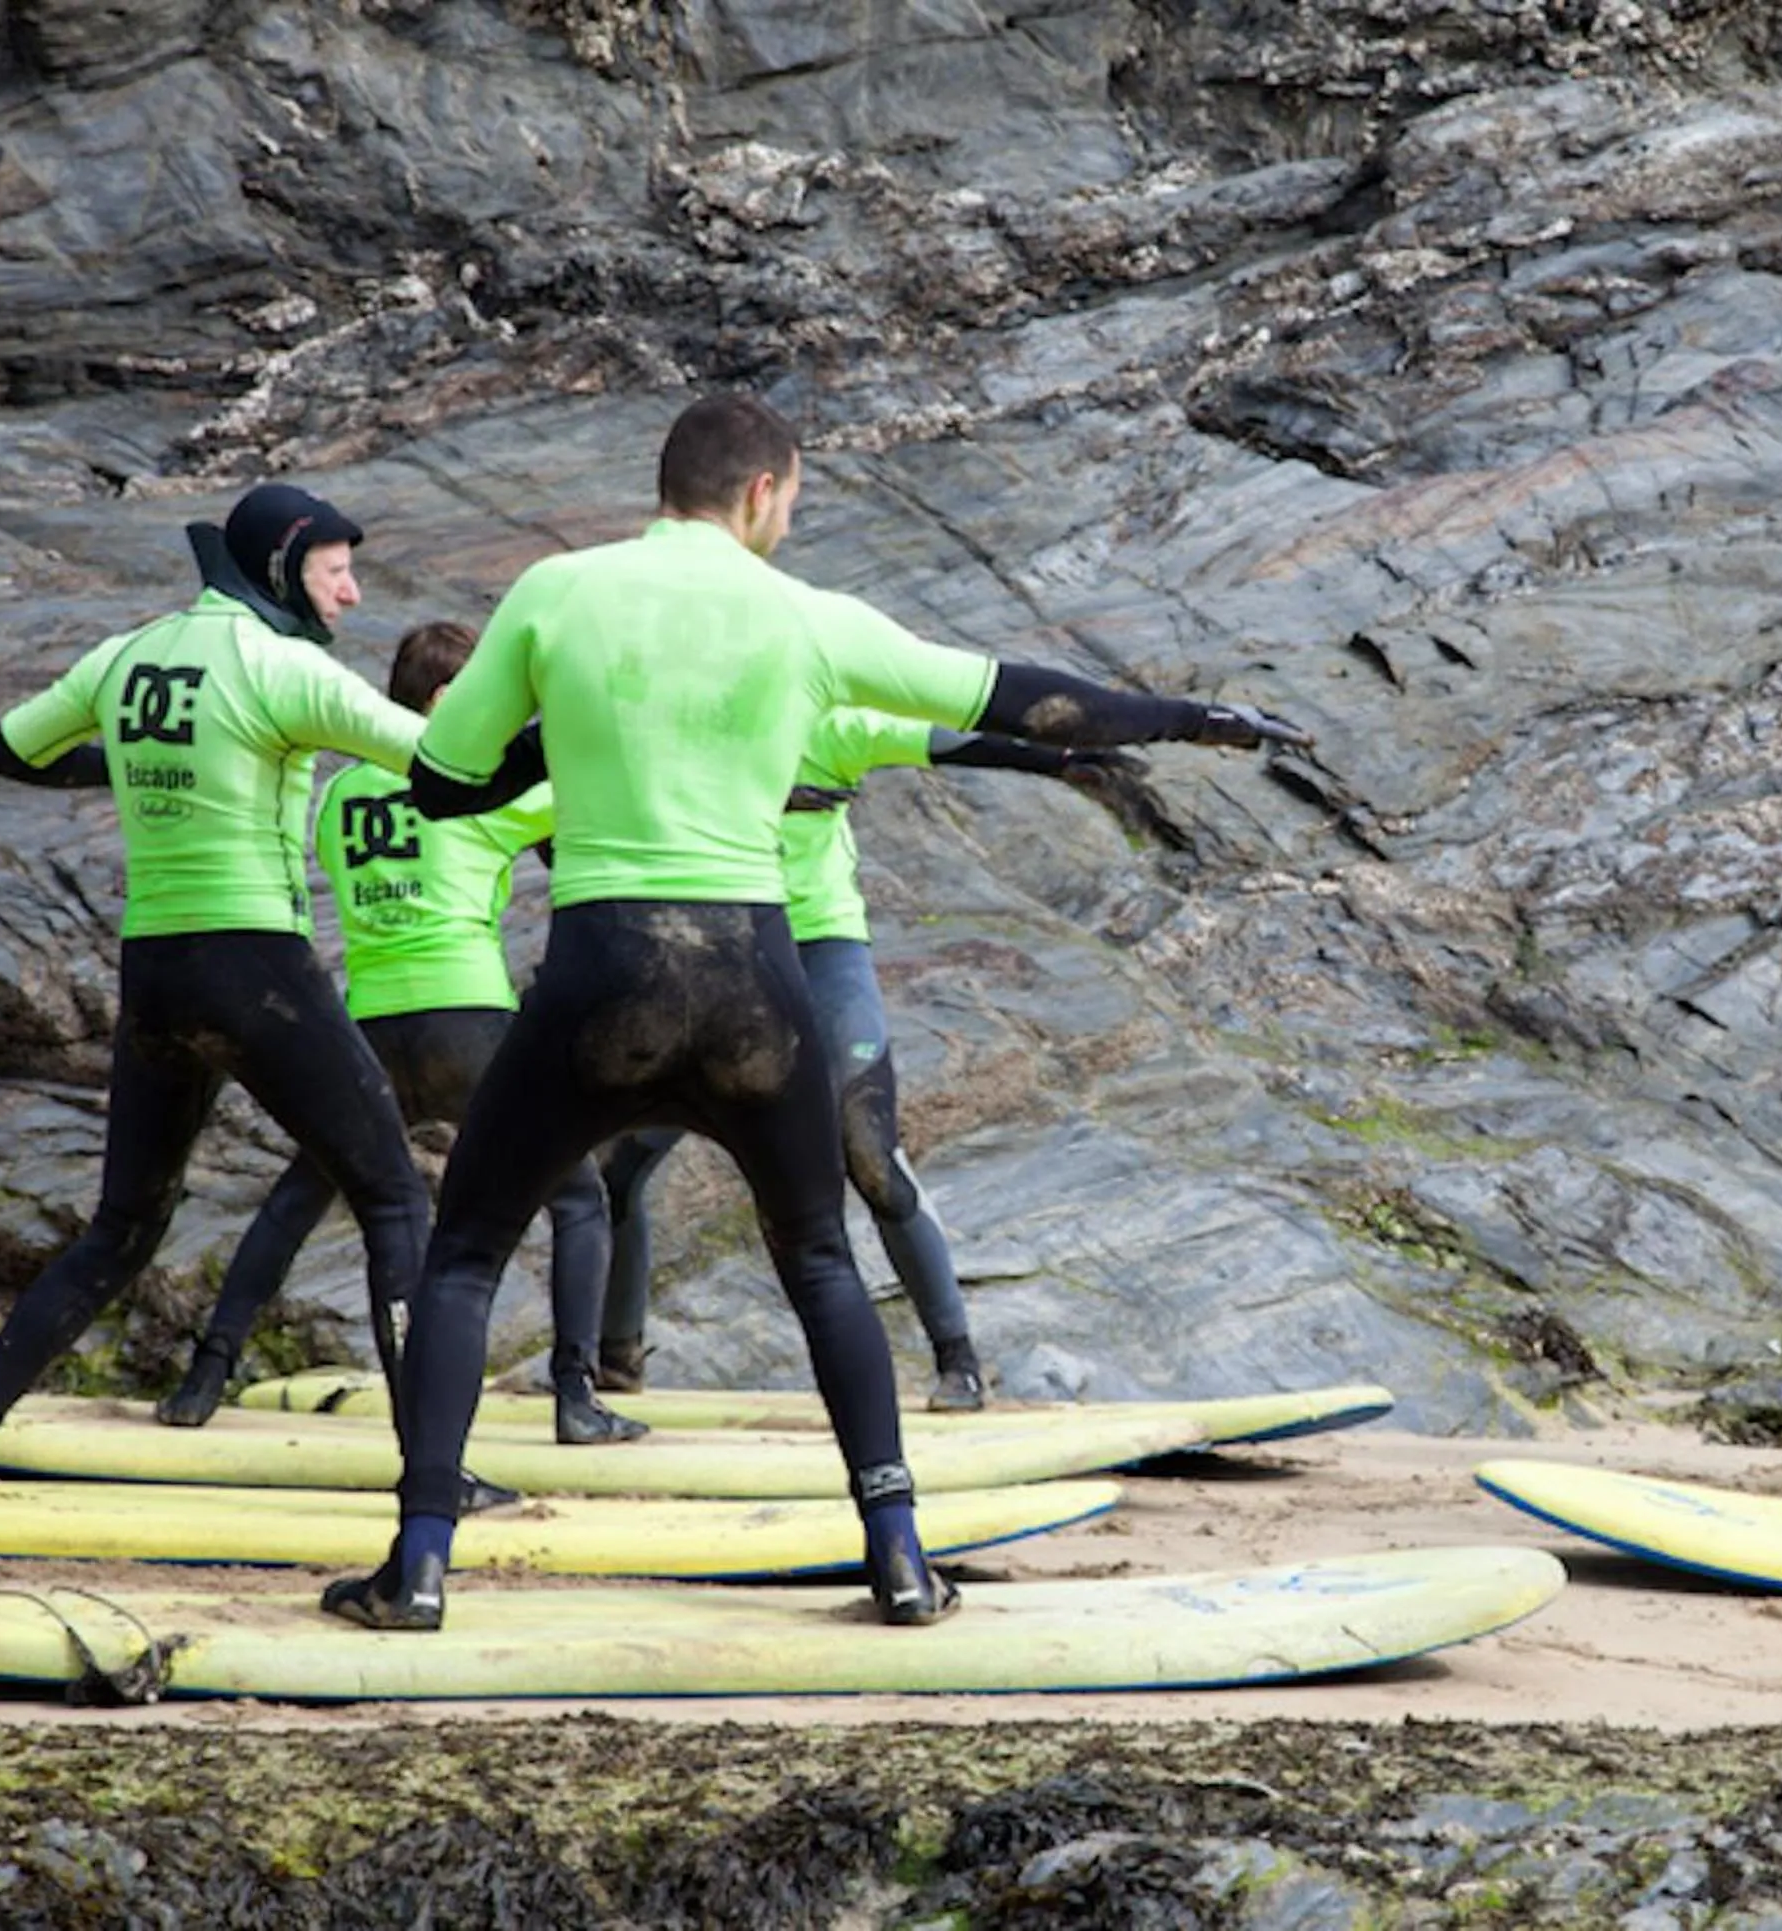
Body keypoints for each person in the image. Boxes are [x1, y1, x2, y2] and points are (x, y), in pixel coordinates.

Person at [319, 391, 1310, 1632]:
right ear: (760, 494)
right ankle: (897, 1554)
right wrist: (1191, 717)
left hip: (601, 976)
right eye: (792, 498)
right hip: (751, 983)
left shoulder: (554, 592)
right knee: (822, 1259)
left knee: (463, 1255)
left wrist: (561, 747)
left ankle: (417, 1567)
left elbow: (447, 776)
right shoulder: (805, 616)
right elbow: (1017, 700)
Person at [0, 486, 435, 1500]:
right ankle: (434, 1477)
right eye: (335, 572)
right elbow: (439, 760)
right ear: (281, 569)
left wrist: (138, 768)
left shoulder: (126, 652)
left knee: (121, 1230)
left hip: (156, 974)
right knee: (394, 1194)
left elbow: (8, 747)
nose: (353, 593)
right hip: (255, 966)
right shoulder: (285, 668)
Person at [156, 620, 643, 1450]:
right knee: (578, 1196)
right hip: (468, 1020)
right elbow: (609, 808)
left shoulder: (343, 792)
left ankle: (205, 1374)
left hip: (367, 1024)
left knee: (300, 1197)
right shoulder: (487, 784)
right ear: (446, 700)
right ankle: (576, 1393)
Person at [595, 713, 1144, 1413]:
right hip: (715, 961)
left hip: (821, 952)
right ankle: (615, 1360)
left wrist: (1062, 759)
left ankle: (959, 1361)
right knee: (616, 1166)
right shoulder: (679, 722)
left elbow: (952, 737)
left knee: (871, 1156)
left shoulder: (827, 722)